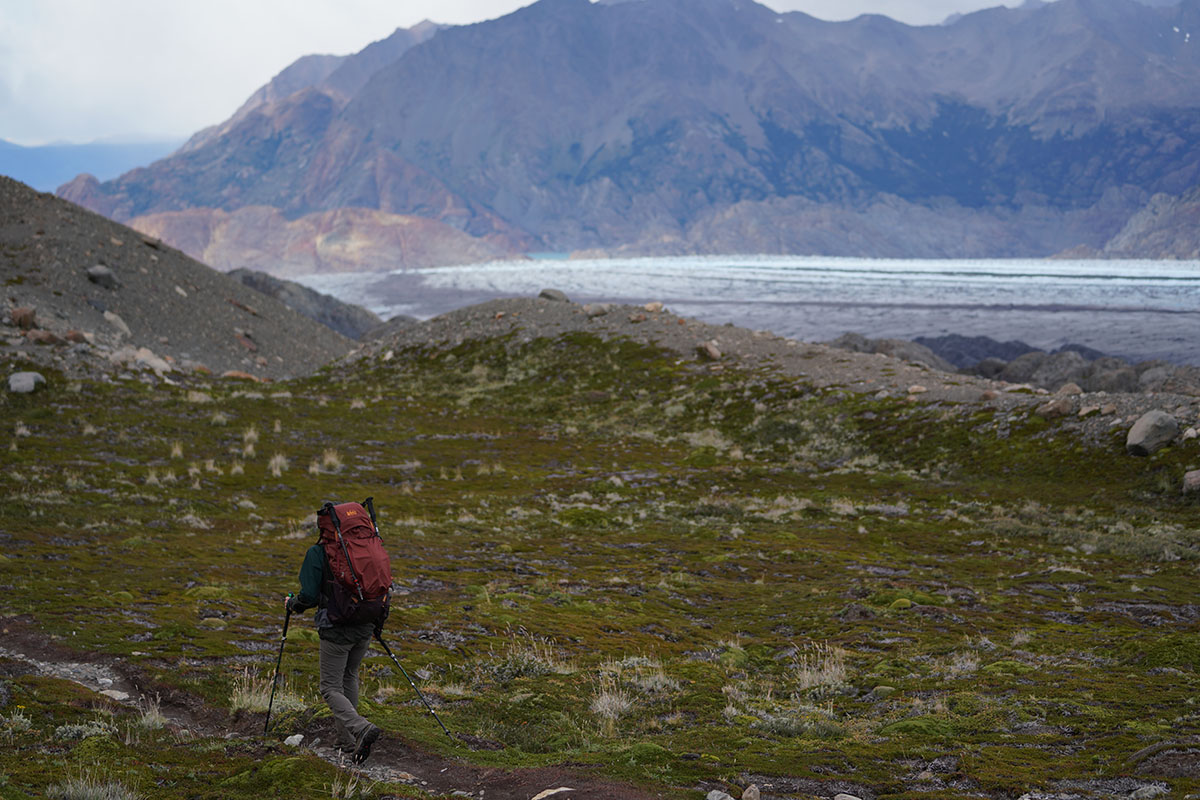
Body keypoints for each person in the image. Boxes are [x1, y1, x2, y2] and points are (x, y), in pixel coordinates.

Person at [285, 540, 383, 764]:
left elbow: (308, 595)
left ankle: (360, 728)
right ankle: (346, 741)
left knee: (329, 687)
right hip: (366, 624)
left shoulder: (318, 552)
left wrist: (293, 604)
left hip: (337, 630)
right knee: (349, 675)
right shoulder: (366, 547)